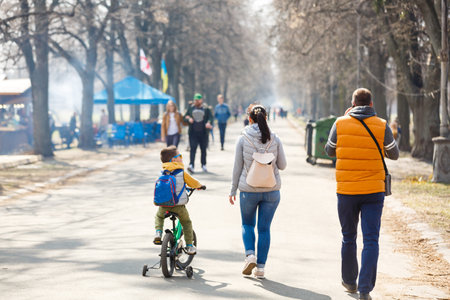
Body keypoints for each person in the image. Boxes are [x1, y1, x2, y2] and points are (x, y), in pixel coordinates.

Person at [325, 88, 399, 300]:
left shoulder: (340, 123)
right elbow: (394, 154)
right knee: (371, 240)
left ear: (353, 103)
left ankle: (349, 281)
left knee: (349, 237)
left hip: (346, 190)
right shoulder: (382, 124)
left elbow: (329, 150)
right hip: (373, 191)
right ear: (372, 104)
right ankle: (365, 288)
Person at [229, 104, 287, 279]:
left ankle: (250, 255)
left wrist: (233, 189)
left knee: (247, 224)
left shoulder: (243, 138)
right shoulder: (275, 139)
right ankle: (260, 268)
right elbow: (283, 165)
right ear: (266, 118)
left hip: (248, 190)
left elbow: (237, 167)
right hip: (271, 191)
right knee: (264, 229)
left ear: (249, 118)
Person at [154, 146, 205, 255]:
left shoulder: (162, 172)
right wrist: (200, 186)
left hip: (163, 205)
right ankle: (190, 246)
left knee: (159, 216)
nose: (181, 158)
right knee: (186, 223)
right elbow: (194, 183)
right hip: (178, 206)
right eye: (179, 156)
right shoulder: (181, 173)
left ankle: (158, 233)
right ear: (174, 160)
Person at [183, 93, 213, 173]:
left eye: (198, 100)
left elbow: (211, 118)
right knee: (193, 149)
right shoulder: (191, 108)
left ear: (201, 100)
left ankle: (203, 165)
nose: (196, 101)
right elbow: (184, 117)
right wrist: (188, 119)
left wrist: (209, 123)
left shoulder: (206, 109)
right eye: (195, 100)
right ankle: (191, 165)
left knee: (203, 149)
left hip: (203, 133)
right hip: (193, 133)